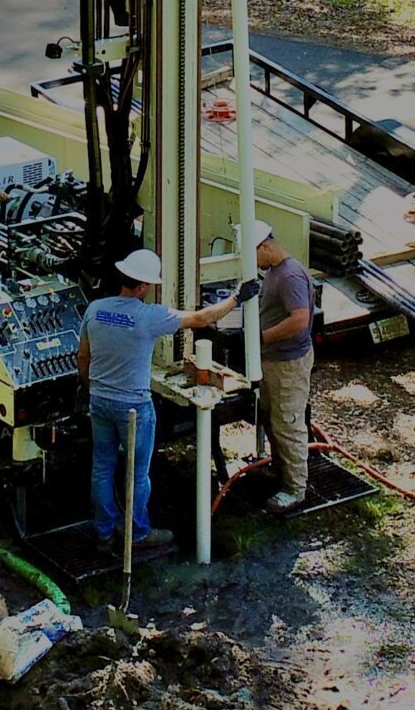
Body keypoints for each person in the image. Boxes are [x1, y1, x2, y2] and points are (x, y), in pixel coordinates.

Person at [77, 246, 248, 551]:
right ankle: (138, 533)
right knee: (138, 474)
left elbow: (83, 356)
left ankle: (104, 533)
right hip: (134, 407)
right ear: (142, 285)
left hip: (100, 401)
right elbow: (200, 318)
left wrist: (90, 387)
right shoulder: (149, 316)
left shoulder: (94, 309)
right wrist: (237, 298)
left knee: (101, 467)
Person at [247, 219, 316, 512]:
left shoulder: (289, 276)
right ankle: (281, 470)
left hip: (288, 363)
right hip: (273, 360)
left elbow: (300, 320)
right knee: (273, 419)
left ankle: (295, 490)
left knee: (287, 423)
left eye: (253, 256)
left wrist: (261, 337)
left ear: (265, 246)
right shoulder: (275, 272)